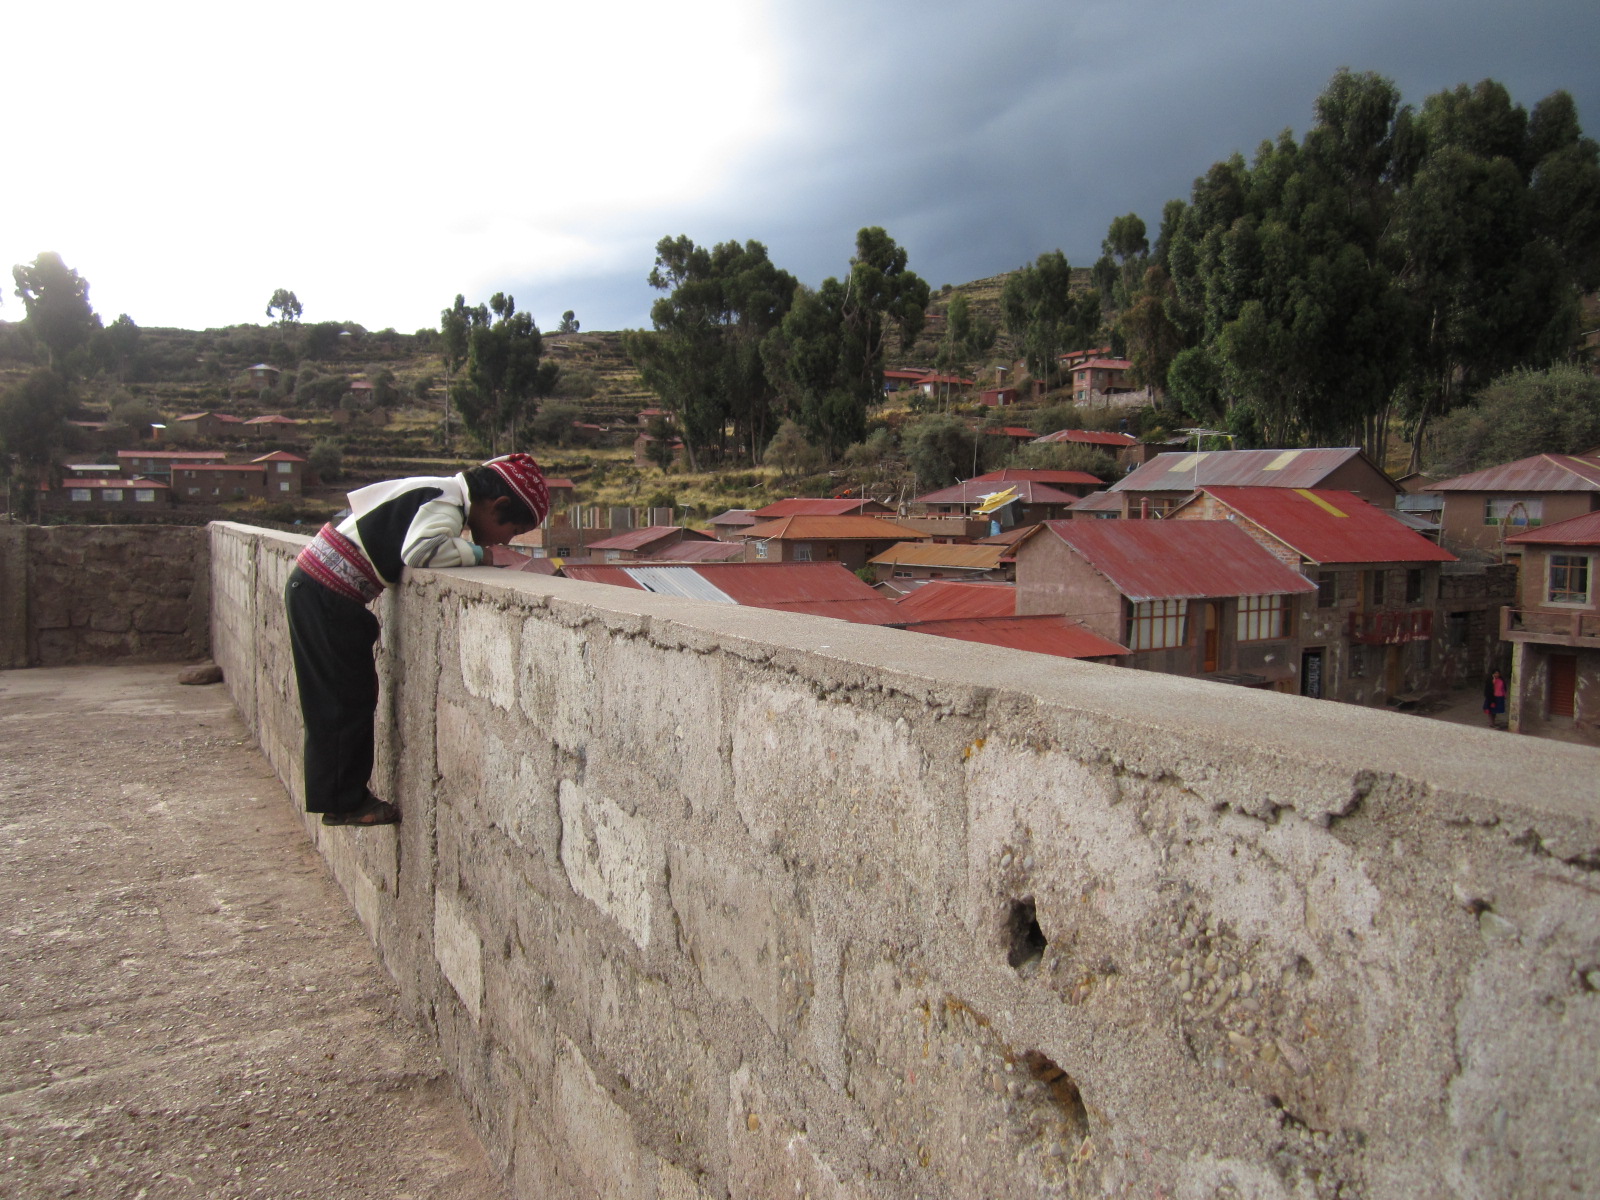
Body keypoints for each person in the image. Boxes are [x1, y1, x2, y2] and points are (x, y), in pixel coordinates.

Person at [285, 454, 549, 826]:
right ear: (499, 505)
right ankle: (344, 801)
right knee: (341, 700)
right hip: (326, 596)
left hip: (319, 591)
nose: (507, 539)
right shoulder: (446, 501)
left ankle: (342, 797)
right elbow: (422, 551)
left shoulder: (437, 490)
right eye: (512, 530)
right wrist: (482, 554)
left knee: (341, 696)